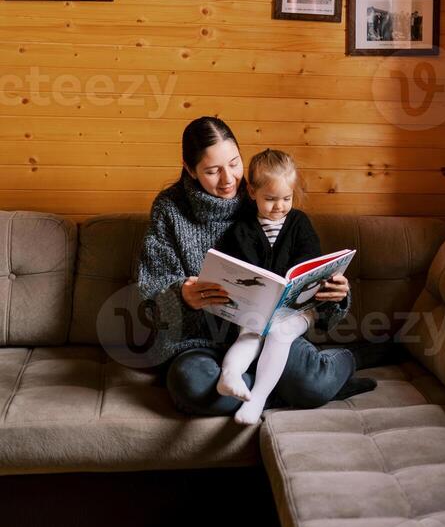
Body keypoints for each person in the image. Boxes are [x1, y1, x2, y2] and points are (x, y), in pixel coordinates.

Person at [136, 117, 368, 419]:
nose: (228, 179)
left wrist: (335, 294)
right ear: (190, 170)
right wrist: (182, 297)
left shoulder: (264, 195)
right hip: (202, 343)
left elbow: (303, 271)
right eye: (212, 170)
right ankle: (265, 389)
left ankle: (263, 387)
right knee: (193, 387)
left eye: (234, 163)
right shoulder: (169, 209)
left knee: (313, 385)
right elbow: (150, 299)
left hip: (269, 332)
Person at [216, 149, 375, 425]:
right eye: (270, 199)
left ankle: (257, 401)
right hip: (258, 308)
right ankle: (228, 376)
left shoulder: (299, 223)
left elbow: (310, 265)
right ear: (252, 192)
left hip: (298, 310)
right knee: (250, 333)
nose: (279, 206)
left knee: (279, 332)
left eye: (286, 198)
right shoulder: (240, 230)